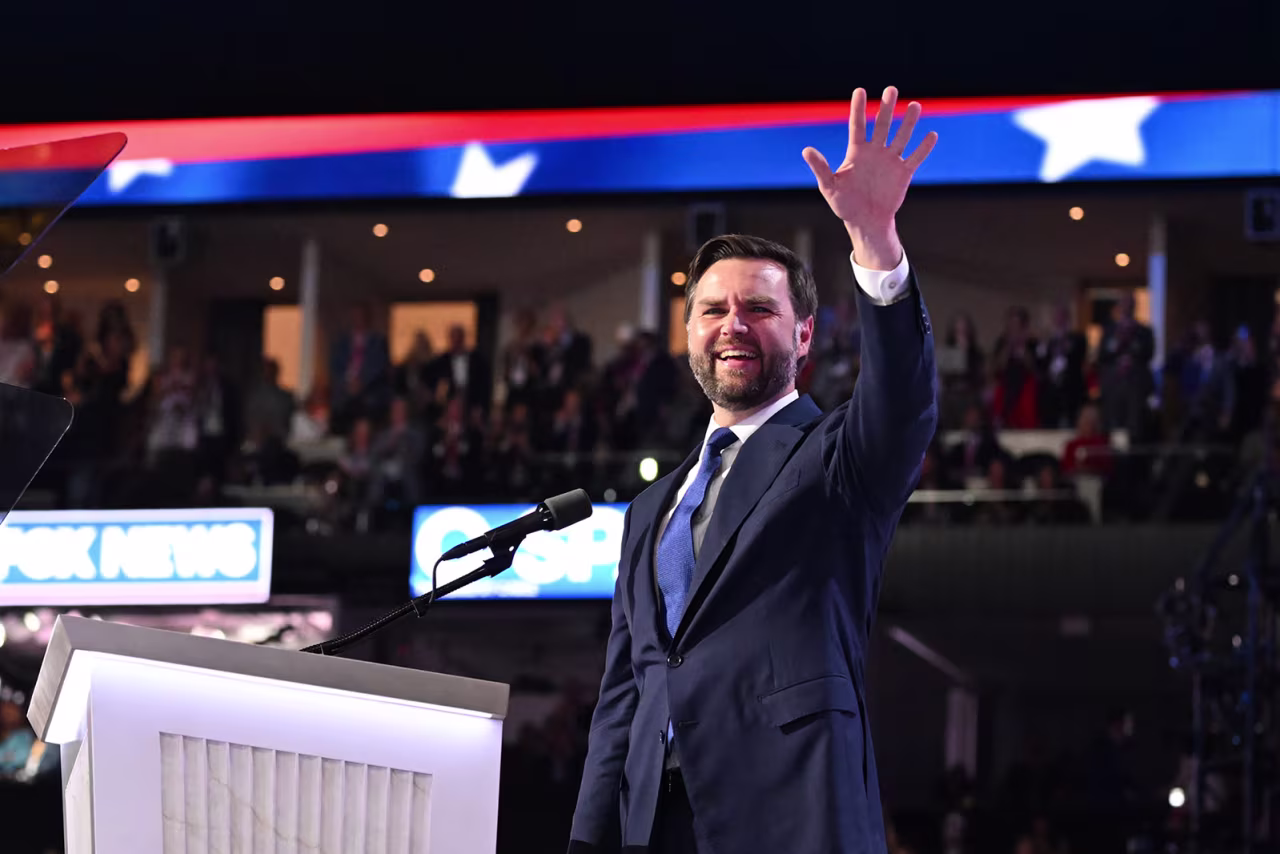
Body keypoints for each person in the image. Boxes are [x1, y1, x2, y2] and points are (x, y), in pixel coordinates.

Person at [568, 86, 939, 854]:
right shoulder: (649, 510)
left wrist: (876, 246)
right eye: (713, 310)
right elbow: (624, 698)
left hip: (787, 815)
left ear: (804, 337)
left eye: (759, 310)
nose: (733, 324)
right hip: (650, 828)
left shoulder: (836, 460)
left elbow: (903, 401)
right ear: (688, 333)